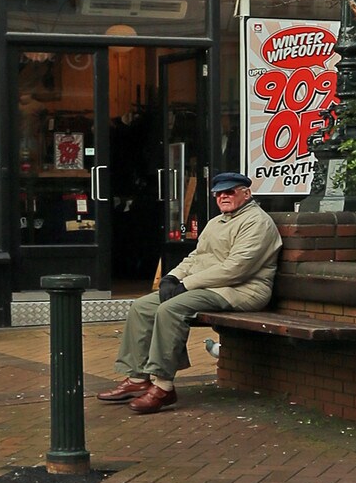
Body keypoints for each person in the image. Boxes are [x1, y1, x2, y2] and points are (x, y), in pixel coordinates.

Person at [97, 172, 281, 414]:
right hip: (210, 286)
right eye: (219, 193)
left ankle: (163, 386)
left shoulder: (257, 222)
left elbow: (236, 270)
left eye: (230, 192)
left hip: (242, 291)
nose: (224, 197)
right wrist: (172, 277)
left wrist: (186, 285)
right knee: (142, 307)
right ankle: (138, 378)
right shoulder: (218, 221)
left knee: (171, 308)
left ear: (246, 193)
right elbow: (197, 256)